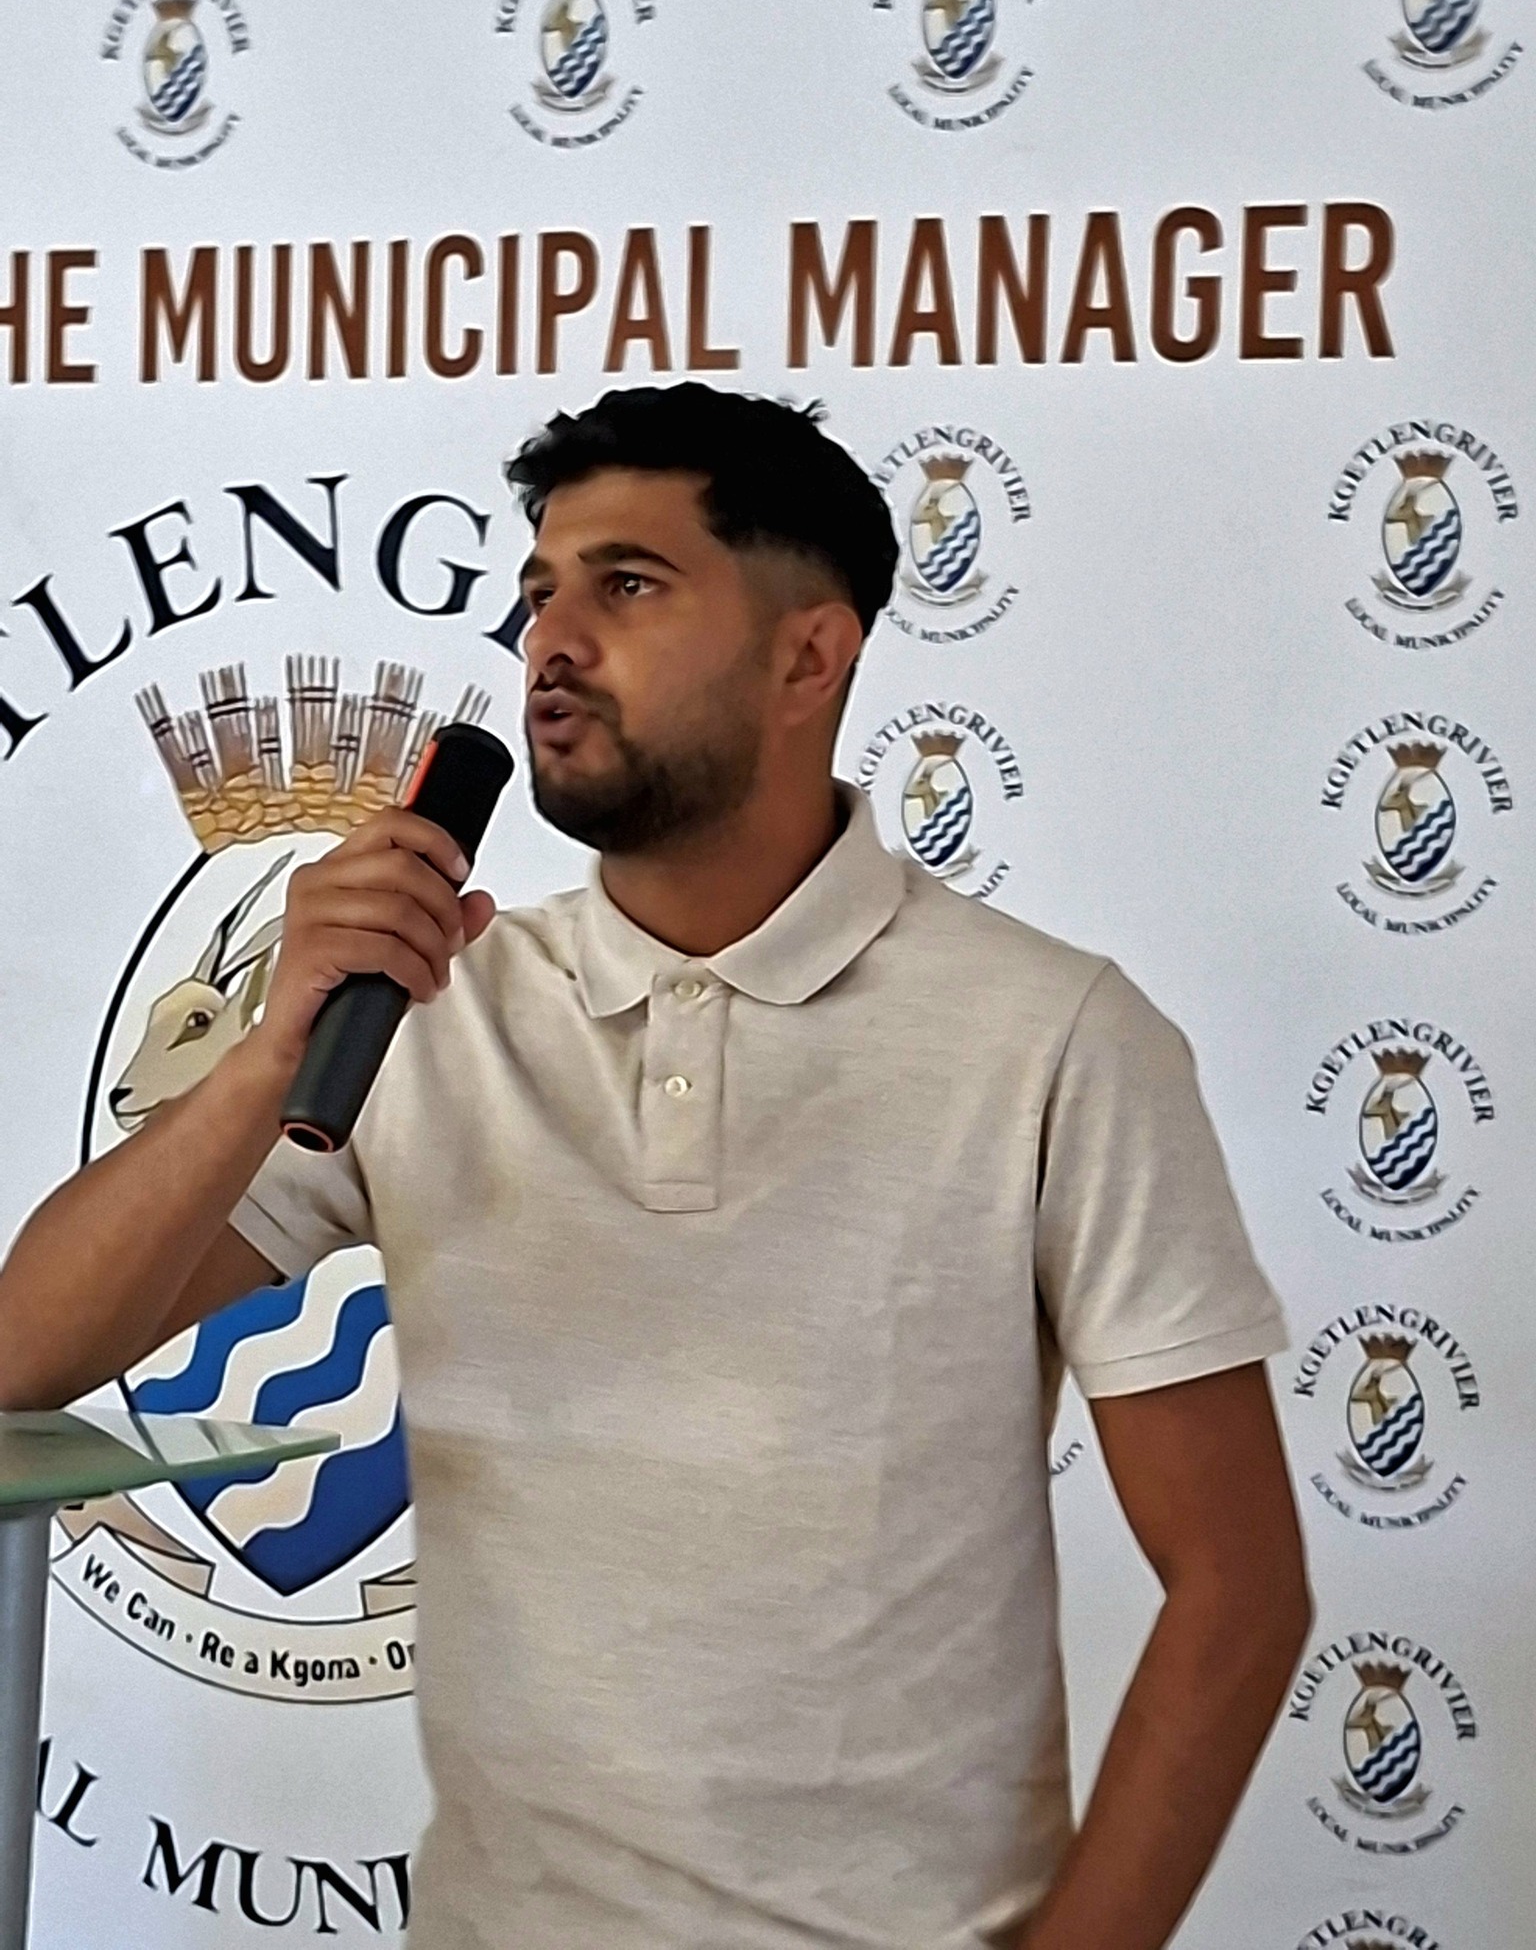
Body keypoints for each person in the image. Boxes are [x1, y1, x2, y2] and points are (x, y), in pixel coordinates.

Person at [0, 384, 1310, 1950]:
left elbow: (1237, 1585)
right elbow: (23, 1356)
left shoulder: (1055, 1037)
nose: (551, 642)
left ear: (809, 657)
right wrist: (271, 1054)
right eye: (540, 590)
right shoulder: (432, 1017)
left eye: (627, 585)